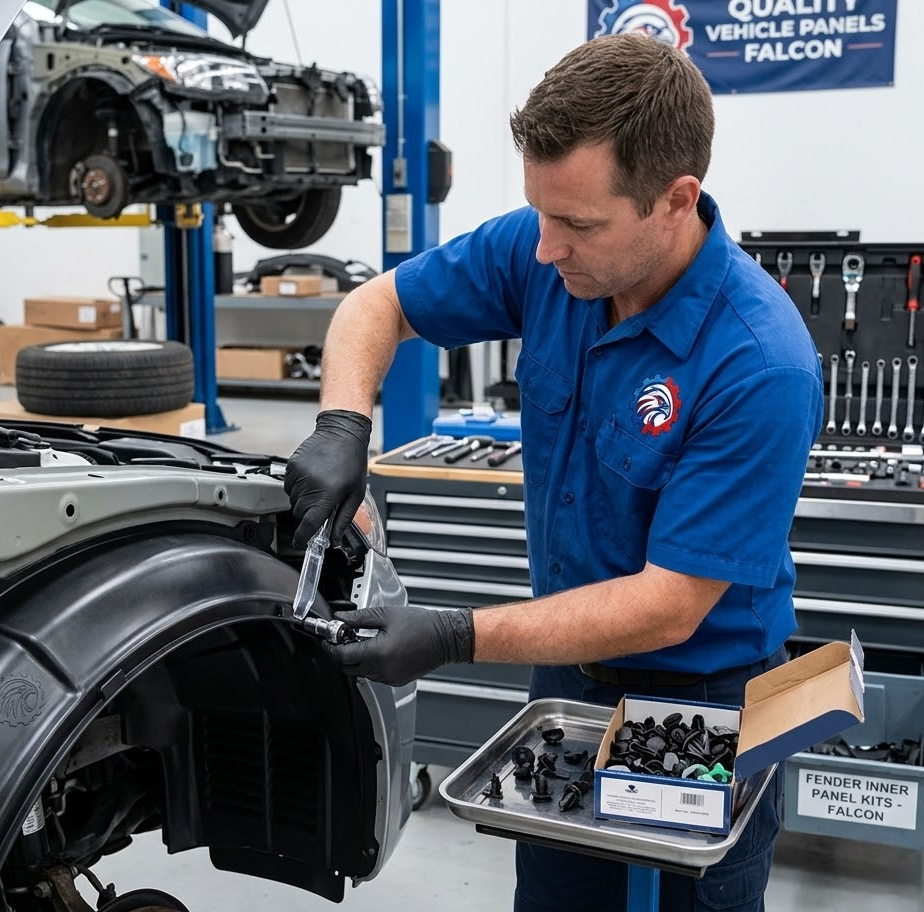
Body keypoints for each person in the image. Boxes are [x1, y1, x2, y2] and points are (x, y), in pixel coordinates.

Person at [283, 32, 822, 912]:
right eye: (541, 213)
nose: (545, 248)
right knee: (560, 897)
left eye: (579, 225)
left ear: (676, 200)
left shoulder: (760, 364)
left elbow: (667, 606)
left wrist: (452, 634)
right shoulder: (544, 252)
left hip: (701, 703)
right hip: (569, 680)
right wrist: (343, 424)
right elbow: (377, 304)